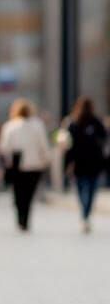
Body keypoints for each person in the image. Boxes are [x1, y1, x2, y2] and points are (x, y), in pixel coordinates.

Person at [0, 98, 50, 232]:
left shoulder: (10, 126)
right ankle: (25, 218)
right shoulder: (38, 125)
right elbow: (44, 144)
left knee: (18, 194)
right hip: (35, 165)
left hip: (17, 166)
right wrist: (46, 159)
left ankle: (21, 218)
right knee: (29, 194)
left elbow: (4, 147)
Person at [64, 96, 107, 232]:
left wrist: (67, 163)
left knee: (83, 189)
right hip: (93, 162)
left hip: (80, 162)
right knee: (90, 190)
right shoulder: (92, 122)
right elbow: (104, 139)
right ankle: (85, 214)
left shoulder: (74, 123)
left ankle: (85, 214)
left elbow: (67, 146)